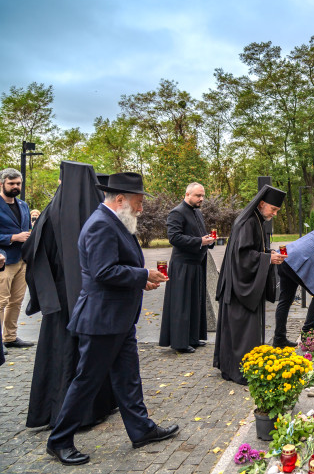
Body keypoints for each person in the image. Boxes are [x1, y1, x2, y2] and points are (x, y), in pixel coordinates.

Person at [46, 172, 176, 466]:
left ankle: (141, 430)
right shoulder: (101, 225)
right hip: (101, 320)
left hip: (118, 319)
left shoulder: (115, 222)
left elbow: (116, 268)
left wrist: (140, 281)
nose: (141, 208)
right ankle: (59, 441)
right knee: (86, 382)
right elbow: (104, 272)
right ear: (120, 199)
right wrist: (143, 275)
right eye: (139, 202)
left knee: (128, 378)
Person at [23, 161, 117, 430]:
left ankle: (57, 409)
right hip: (88, 295)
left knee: (61, 353)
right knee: (86, 354)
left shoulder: (51, 211)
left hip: (60, 295)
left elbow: (33, 252)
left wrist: (47, 287)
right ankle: (90, 410)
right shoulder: (97, 213)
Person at [214, 185, 286, 385]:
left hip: (240, 282)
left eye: (277, 211)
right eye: (273, 209)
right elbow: (243, 256)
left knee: (239, 330)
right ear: (262, 204)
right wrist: (267, 259)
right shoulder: (248, 222)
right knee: (241, 331)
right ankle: (241, 369)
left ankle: (234, 367)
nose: (274, 213)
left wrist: (267, 254)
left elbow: (254, 249)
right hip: (240, 286)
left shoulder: (255, 219)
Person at [159, 182, 215, 353]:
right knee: (181, 304)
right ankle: (180, 343)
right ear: (187, 194)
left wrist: (208, 241)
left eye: (203, 195)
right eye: (198, 195)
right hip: (182, 265)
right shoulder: (176, 212)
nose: (201, 199)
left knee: (195, 303)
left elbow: (199, 235)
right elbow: (174, 238)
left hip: (197, 264)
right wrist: (200, 241)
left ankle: (193, 338)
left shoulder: (197, 212)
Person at [0, 168, 34, 349]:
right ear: (1, 183)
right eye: (11, 183)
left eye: (18, 183)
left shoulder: (23, 205)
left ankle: (10, 337)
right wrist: (12, 238)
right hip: (3, 261)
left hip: (22, 260)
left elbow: (27, 230)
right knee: (1, 302)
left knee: (16, 301)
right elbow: (16, 235)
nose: (15, 186)